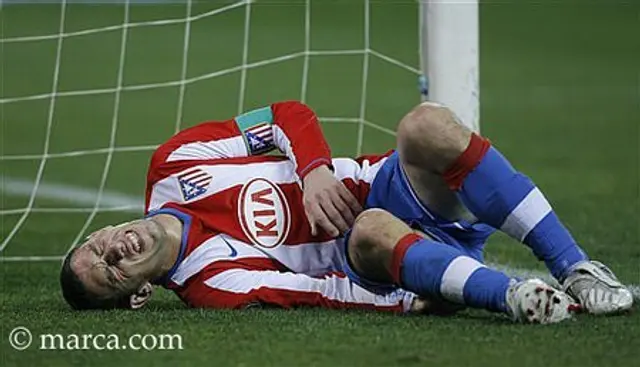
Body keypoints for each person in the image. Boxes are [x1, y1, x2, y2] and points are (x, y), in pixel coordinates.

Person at [60, 100, 633, 323]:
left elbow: (286, 114)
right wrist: (405, 298)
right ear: (137, 295)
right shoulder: (209, 281)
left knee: (426, 125)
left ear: (101, 230)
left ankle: (576, 267)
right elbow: (319, 292)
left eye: (95, 245)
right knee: (368, 227)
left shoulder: (174, 162)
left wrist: (312, 171)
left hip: (388, 184)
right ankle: (513, 300)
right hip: (374, 254)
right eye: (110, 271)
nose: (113, 250)